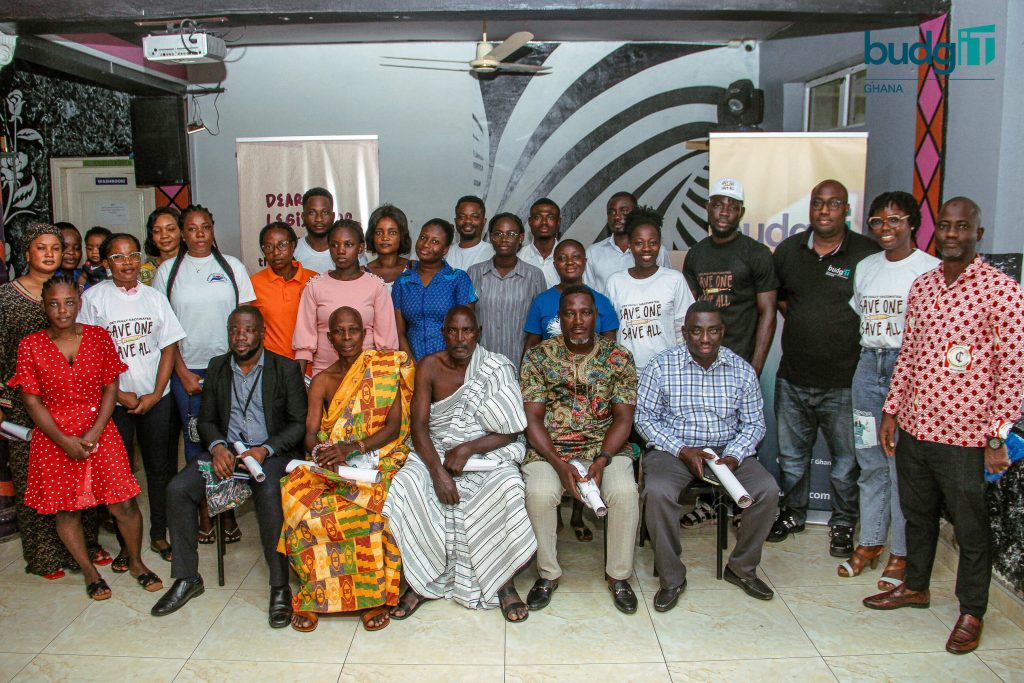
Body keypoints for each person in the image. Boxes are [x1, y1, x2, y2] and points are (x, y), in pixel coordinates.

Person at [863, 197, 1024, 655]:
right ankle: (916, 587)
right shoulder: (924, 286)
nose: (952, 234)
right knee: (918, 514)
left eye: (962, 227)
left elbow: (1013, 368)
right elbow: (909, 355)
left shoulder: (1002, 291)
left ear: (978, 233)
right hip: (916, 427)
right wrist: (892, 412)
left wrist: (997, 433)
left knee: (971, 528)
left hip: (968, 437)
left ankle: (972, 610)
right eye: (946, 227)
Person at [10, 272, 162, 600]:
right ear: (44, 306)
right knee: (67, 510)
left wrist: (93, 432)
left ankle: (136, 562)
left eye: (68, 302)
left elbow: (111, 386)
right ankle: (90, 573)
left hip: (100, 431)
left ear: (79, 303)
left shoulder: (98, 337)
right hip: (54, 438)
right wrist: (64, 440)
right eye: (54, 304)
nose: (62, 310)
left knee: (123, 503)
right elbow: (32, 401)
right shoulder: (31, 345)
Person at [151, 306, 306, 627]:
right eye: (234, 330)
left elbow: (297, 424)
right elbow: (206, 421)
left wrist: (265, 449)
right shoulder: (217, 367)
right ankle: (187, 579)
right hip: (228, 455)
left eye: (248, 330)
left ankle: (279, 587)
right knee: (178, 489)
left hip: (269, 455)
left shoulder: (285, 369)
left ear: (261, 333)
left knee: (268, 494)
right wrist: (217, 446)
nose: (240, 336)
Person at [384, 306, 536, 623]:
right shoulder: (429, 366)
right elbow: (419, 428)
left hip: (484, 450)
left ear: (478, 333)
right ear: (443, 333)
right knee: (406, 485)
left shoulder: (496, 368)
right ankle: (420, 583)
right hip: (435, 450)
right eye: (453, 330)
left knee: (509, 487)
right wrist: (437, 472)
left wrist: (468, 448)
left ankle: (504, 584)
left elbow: (512, 430)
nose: (460, 338)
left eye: (467, 331)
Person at [636, 301, 779, 610]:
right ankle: (672, 578)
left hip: (727, 452)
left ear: (722, 332)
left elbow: (754, 423)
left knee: (767, 491)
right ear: (684, 332)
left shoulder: (741, 369)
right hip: (675, 449)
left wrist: (736, 455)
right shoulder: (661, 365)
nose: (705, 338)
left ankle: (741, 568)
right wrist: (681, 450)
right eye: (697, 331)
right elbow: (644, 419)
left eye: (713, 330)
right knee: (658, 492)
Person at [282, 306, 413, 633]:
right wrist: (324, 454)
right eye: (339, 332)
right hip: (331, 464)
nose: (346, 338)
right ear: (329, 337)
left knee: (367, 514)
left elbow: (394, 427)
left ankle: (369, 600)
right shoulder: (323, 381)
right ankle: (314, 595)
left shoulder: (383, 370)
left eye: (353, 330)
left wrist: (352, 449)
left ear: (364, 332)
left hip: (373, 461)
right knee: (304, 508)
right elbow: (311, 433)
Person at [769, 180, 880, 557]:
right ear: (811, 208)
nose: (825, 210)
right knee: (793, 456)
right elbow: (781, 301)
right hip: (794, 377)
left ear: (846, 210)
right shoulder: (788, 251)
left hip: (845, 381)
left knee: (846, 461)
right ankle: (793, 513)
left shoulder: (866, 253)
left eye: (834, 204)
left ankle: (843, 522)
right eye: (818, 203)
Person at [520, 285, 640, 614]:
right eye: (570, 313)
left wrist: (602, 459)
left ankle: (619, 576)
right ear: (559, 318)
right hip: (550, 450)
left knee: (624, 492)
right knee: (541, 494)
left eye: (585, 312)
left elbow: (624, 419)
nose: (578, 320)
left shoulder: (619, 357)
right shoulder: (538, 356)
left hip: (605, 447)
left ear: (596, 316)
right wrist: (560, 466)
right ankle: (548, 574)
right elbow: (532, 420)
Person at [840, 192, 938, 588]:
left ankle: (901, 551)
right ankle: (870, 542)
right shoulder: (866, 267)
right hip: (868, 368)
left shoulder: (929, 270)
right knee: (869, 456)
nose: (885, 229)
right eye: (878, 222)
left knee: (901, 464)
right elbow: (863, 316)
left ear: (913, 223)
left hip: (908, 369)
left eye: (895, 220)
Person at [0, 224, 104, 578]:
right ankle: (44, 556)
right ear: (26, 252)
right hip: (23, 403)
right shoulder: (7, 298)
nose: (49, 254)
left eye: (56, 248)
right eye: (41, 247)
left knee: (81, 474)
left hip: (74, 401)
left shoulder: (71, 292)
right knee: (37, 481)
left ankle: (84, 550)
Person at [79, 233, 187, 564]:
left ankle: (158, 534)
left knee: (160, 468)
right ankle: (128, 544)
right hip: (115, 402)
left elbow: (169, 346)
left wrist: (156, 392)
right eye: (118, 256)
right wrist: (120, 394)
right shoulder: (94, 298)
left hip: (158, 398)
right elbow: (88, 354)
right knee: (119, 474)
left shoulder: (154, 298)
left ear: (140, 259)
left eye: (132, 255)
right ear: (106, 262)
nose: (126, 262)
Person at [153, 205, 257, 541]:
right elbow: (163, 329)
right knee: (197, 440)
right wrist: (181, 371)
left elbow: (247, 320)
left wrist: (241, 367)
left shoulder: (232, 268)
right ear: (183, 233)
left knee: (231, 438)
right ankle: (204, 513)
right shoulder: (168, 271)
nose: (199, 234)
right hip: (187, 369)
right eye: (192, 228)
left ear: (213, 230)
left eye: (205, 227)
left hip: (229, 367)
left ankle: (226, 512)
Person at [680, 178, 778, 529]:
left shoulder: (756, 253)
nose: (724, 211)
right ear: (708, 209)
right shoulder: (697, 254)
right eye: (718, 204)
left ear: (741, 212)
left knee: (748, 436)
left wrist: (756, 364)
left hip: (745, 362)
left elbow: (768, 311)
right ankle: (713, 501)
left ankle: (749, 505)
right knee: (707, 434)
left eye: (732, 206)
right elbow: (694, 313)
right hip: (704, 362)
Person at [293, 221, 398, 376]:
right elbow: (304, 344)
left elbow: (387, 346)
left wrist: (386, 387)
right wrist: (299, 387)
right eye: (335, 245)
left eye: (348, 244)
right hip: (324, 376)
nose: (341, 251)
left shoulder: (376, 286)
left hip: (367, 378)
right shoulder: (315, 286)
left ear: (360, 248)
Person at [605, 207, 694, 370]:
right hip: (628, 374)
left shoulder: (674, 279)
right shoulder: (615, 282)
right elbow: (609, 331)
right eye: (639, 243)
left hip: (667, 371)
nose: (646, 248)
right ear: (630, 245)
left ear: (660, 245)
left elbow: (684, 328)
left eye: (652, 243)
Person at [393, 219, 477, 361]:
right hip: (413, 361)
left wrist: (445, 366)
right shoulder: (402, 281)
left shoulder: (458, 279)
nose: (426, 244)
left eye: (435, 241)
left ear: (445, 250)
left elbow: (465, 331)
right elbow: (399, 331)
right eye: (423, 238)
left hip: (450, 363)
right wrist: (412, 365)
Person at [467, 213, 545, 364]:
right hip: (481, 364)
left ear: (521, 238)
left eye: (511, 234)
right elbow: (467, 320)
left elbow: (539, 325)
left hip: (519, 364)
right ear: (491, 237)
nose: (504, 239)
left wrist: (529, 367)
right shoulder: (474, 272)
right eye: (498, 233)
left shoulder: (534, 275)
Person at [523, 239, 619, 354]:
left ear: (585, 261)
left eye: (576, 257)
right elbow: (531, 346)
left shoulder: (602, 302)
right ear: (555, 265)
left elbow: (611, 349)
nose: (569, 262)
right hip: (551, 370)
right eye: (562, 258)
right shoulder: (541, 301)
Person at [250, 222, 317, 359]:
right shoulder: (254, 283)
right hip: (272, 365)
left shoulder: (314, 280)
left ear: (293, 245)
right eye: (269, 247)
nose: (275, 252)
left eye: (282, 245)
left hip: (310, 365)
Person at [585, 191, 670, 294]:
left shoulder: (655, 251)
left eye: (624, 211)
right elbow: (588, 295)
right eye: (611, 212)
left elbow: (667, 285)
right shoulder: (592, 253)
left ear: (635, 213)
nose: (616, 217)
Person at [363, 205, 414, 288]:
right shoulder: (363, 273)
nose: (385, 238)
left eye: (392, 232)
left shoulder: (413, 268)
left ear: (401, 236)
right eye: (379, 232)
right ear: (372, 236)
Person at [518, 198, 563, 287]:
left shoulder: (570, 261)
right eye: (538, 217)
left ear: (558, 222)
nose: (544, 222)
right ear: (530, 222)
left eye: (550, 217)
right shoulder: (518, 258)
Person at [293, 187, 337, 273]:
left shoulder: (348, 251)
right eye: (312, 212)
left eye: (325, 212)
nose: (319, 219)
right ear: (303, 216)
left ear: (333, 216)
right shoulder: (293, 250)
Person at [446, 195, 494, 271]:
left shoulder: (494, 254)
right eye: (462, 217)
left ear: (484, 221)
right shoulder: (445, 253)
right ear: (455, 221)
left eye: (474, 217)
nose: (468, 221)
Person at [139, 207, 182, 287]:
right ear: (151, 236)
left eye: (170, 229)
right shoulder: (143, 273)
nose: (164, 235)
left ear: (182, 232)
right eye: (157, 231)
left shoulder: (192, 265)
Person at [78, 226, 111, 290]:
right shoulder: (88, 264)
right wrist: (80, 286)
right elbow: (83, 277)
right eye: (89, 249)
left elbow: (112, 279)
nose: (94, 252)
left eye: (99, 249)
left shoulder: (108, 265)